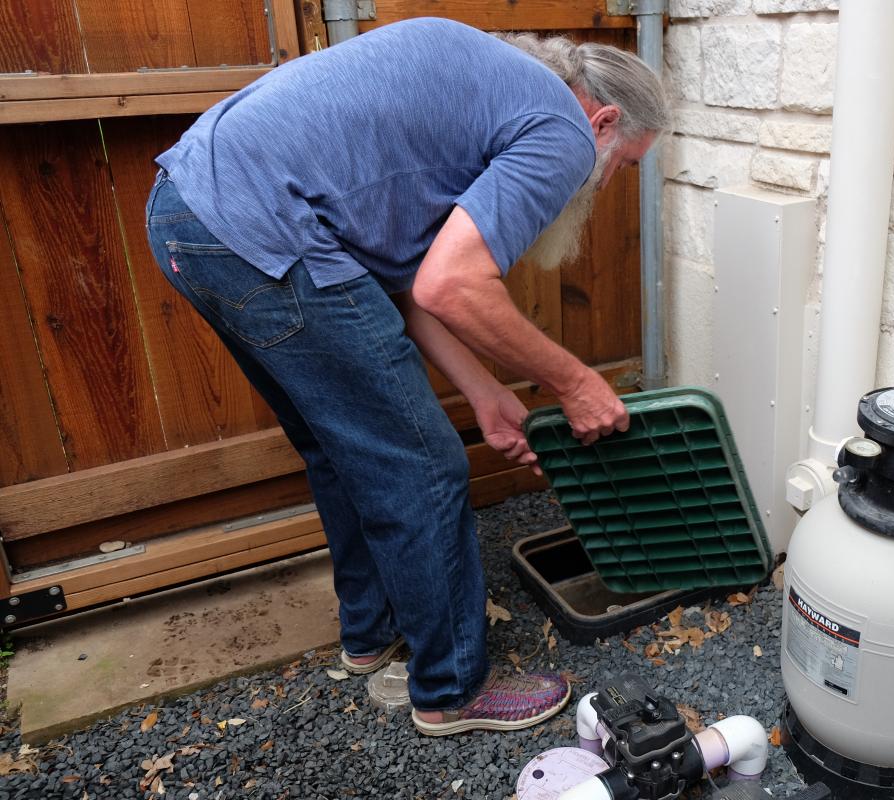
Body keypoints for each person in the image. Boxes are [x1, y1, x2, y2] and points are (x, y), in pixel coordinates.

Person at [144, 17, 669, 736]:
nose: (605, 181)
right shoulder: (560, 128)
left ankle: (371, 634)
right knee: (423, 466)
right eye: (624, 163)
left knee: (343, 446)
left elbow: (408, 282)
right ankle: (452, 690)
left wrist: (486, 391)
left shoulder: (485, 88)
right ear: (602, 119)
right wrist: (576, 383)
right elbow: (453, 285)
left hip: (190, 212)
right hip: (261, 228)